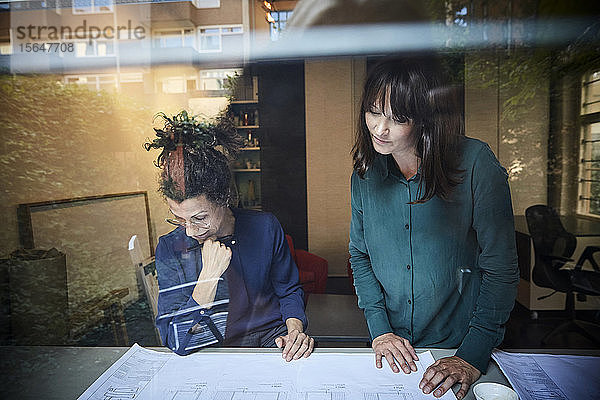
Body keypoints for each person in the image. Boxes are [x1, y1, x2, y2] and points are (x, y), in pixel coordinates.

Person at [349, 57, 519, 399]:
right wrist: (380, 331)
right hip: (394, 351)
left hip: (460, 345)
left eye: (398, 119)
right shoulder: (365, 176)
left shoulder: (475, 163)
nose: (380, 129)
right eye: (373, 112)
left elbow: (501, 268)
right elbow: (360, 255)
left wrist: (471, 355)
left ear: (424, 120)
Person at [145, 110, 314, 360]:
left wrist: (295, 332)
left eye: (199, 218)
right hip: (211, 351)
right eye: (179, 218)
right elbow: (176, 341)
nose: (190, 230)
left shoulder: (264, 227)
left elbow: (288, 290)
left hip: (272, 340)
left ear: (223, 198)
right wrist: (208, 278)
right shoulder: (170, 248)